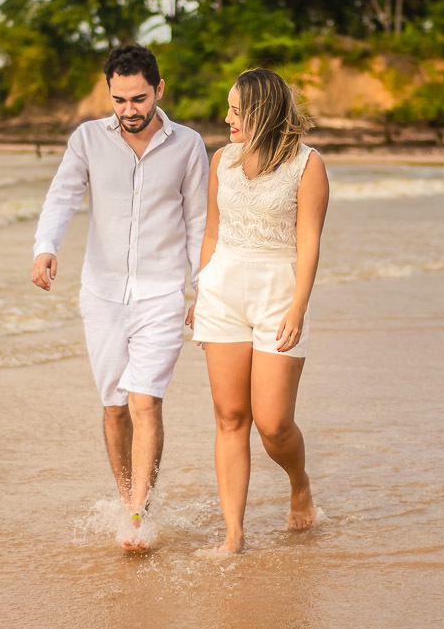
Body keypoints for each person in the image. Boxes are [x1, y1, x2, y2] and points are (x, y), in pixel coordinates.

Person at [30, 44, 209, 552]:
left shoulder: (188, 145)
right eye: (119, 99)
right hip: (102, 295)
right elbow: (62, 196)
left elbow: (198, 221)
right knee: (114, 408)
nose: (129, 109)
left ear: (159, 90)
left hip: (162, 294)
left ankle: (137, 512)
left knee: (145, 401)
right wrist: (46, 249)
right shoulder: (87, 139)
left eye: (138, 98)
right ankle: (127, 493)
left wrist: (204, 290)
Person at [190, 68, 329, 554]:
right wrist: (199, 289)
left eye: (236, 110)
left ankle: (299, 483)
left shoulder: (307, 165)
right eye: (227, 108)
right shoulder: (221, 161)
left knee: (273, 424)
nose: (226, 118)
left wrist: (298, 307)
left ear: (263, 111)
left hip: (278, 295)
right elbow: (212, 231)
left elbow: (309, 242)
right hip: (222, 292)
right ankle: (234, 536)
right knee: (230, 416)